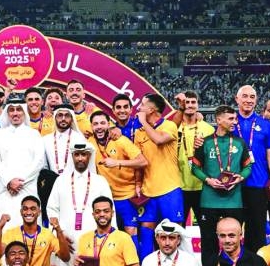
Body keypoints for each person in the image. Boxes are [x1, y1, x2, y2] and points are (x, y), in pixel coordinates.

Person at [190, 105, 252, 266]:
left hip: (234, 201)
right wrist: (208, 180)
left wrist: (240, 178)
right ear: (218, 120)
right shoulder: (205, 142)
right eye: (231, 119)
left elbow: (248, 167)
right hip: (209, 201)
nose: (235, 122)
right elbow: (194, 168)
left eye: (235, 119)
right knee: (208, 243)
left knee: (235, 242)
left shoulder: (240, 143)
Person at [135, 93, 184, 257]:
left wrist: (143, 121)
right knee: (146, 230)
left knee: (173, 232)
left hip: (169, 190)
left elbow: (158, 140)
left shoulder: (169, 126)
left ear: (151, 110)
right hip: (148, 191)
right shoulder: (139, 132)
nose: (139, 108)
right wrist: (138, 184)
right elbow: (139, 160)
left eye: (142, 105)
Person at [233, 85, 270, 251]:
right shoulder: (230, 122)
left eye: (252, 97)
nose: (248, 100)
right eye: (245, 96)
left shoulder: (265, 125)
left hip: (258, 184)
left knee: (257, 231)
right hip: (233, 185)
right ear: (237, 99)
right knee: (232, 229)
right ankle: (233, 265)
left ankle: (255, 265)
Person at [89, 110, 147, 238]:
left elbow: (143, 161)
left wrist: (117, 162)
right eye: (95, 124)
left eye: (102, 123)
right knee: (107, 234)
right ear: (91, 127)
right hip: (105, 197)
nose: (99, 127)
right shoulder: (89, 142)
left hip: (126, 195)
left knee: (130, 231)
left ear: (109, 124)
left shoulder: (120, 140)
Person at [0, 96, 44, 226]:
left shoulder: (34, 134)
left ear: (24, 112)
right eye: (12, 110)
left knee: (28, 223)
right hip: (4, 188)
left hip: (27, 186)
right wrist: (8, 181)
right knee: (4, 225)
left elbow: (39, 162)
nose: (15, 113)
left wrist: (20, 182)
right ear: (7, 113)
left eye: (19, 109)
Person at [172, 91, 214, 226]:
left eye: (193, 102)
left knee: (207, 227)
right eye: (187, 102)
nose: (190, 105)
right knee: (178, 228)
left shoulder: (208, 129)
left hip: (202, 186)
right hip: (179, 186)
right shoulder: (174, 127)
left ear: (198, 104)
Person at [44, 103, 87, 175]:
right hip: (53, 180)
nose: (63, 119)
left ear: (72, 118)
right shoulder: (46, 140)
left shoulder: (79, 138)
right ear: (55, 118)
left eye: (67, 115)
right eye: (60, 115)